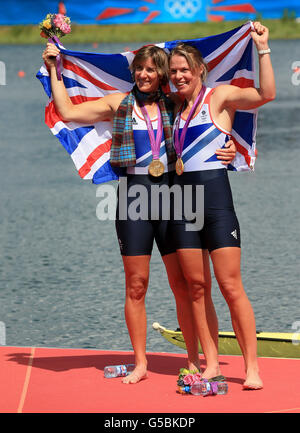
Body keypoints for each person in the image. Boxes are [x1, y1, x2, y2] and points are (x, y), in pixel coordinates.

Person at [42, 43, 236, 384]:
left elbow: (212, 119)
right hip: (134, 197)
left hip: (175, 196)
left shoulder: (177, 103)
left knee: (185, 285)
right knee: (136, 285)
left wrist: (229, 145)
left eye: (151, 70)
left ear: (160, 73)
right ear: (133, 72)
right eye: (139, 69)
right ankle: (141, 364)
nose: (144, 75)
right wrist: (55, 69)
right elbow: (68, 113)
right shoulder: (118, 104)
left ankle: (195, 359)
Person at [168, 21, 275, 389]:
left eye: (184, 69)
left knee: (230, 286)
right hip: (183, 208)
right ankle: (211, 364)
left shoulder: (219, 97)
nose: (178, 76)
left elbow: (266, 93)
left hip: (217, 206)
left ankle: (252, 369)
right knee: (196, 287)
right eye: (174, 71)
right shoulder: (174, 112)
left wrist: (262, 48)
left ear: (199, 70)